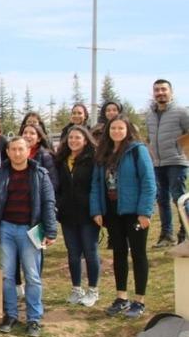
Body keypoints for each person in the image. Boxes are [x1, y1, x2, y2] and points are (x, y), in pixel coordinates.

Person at [0, 137, 57, 337]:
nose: (17, 153)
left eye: (21, 149)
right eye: (13, 149)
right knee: (7, 275)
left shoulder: (40, 174)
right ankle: (11, 315)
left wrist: (50, 231)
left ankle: (34, 318)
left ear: (28, 151)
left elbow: (48, 202)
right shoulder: (0, 176)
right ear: (7, 152)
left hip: (30, 230)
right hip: (6, 229)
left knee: (32, 275)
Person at [91, 115, 156, 319]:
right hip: (113, 212)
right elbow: (96, 184)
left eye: (120, 128)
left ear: (127, 130)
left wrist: (145, 212)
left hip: (135, 213)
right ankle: (121, 297)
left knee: (138, 254)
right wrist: (97, 210)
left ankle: (139, 300)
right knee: (118, 253)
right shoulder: (103, 154)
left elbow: (148, 182)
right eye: (113, 128)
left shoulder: (137, 151)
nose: (117, 131)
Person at [55, 125, 100, 307]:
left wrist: (97, 209)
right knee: (73, 253)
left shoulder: (93, 159)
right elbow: (57, 186)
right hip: (67, 214)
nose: (73, 141)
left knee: (90, 252)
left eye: (77, 138)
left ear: (86, 140)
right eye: (70, 138)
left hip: (88, 214)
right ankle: (76, 289)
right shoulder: (62, 160)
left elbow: (97, 186)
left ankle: (93, 290)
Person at [146, 79, 189, 246]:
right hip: (157, 164)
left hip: (177, 162)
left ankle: (185, 232)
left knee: (179, 198)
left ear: (171, 92)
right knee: (161, 199)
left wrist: (182, 151)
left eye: (163, 89)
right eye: (157, 90)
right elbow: (150, 138)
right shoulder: (150, 115)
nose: (160, 93)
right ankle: (166, 235)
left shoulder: (181, 112)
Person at [20, 123, 59, 192]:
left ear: (39, 138)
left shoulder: (45, 156)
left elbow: (53, 182)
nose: (27, 135)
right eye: (25, 133)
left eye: (32, 133)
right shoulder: (17, 154)